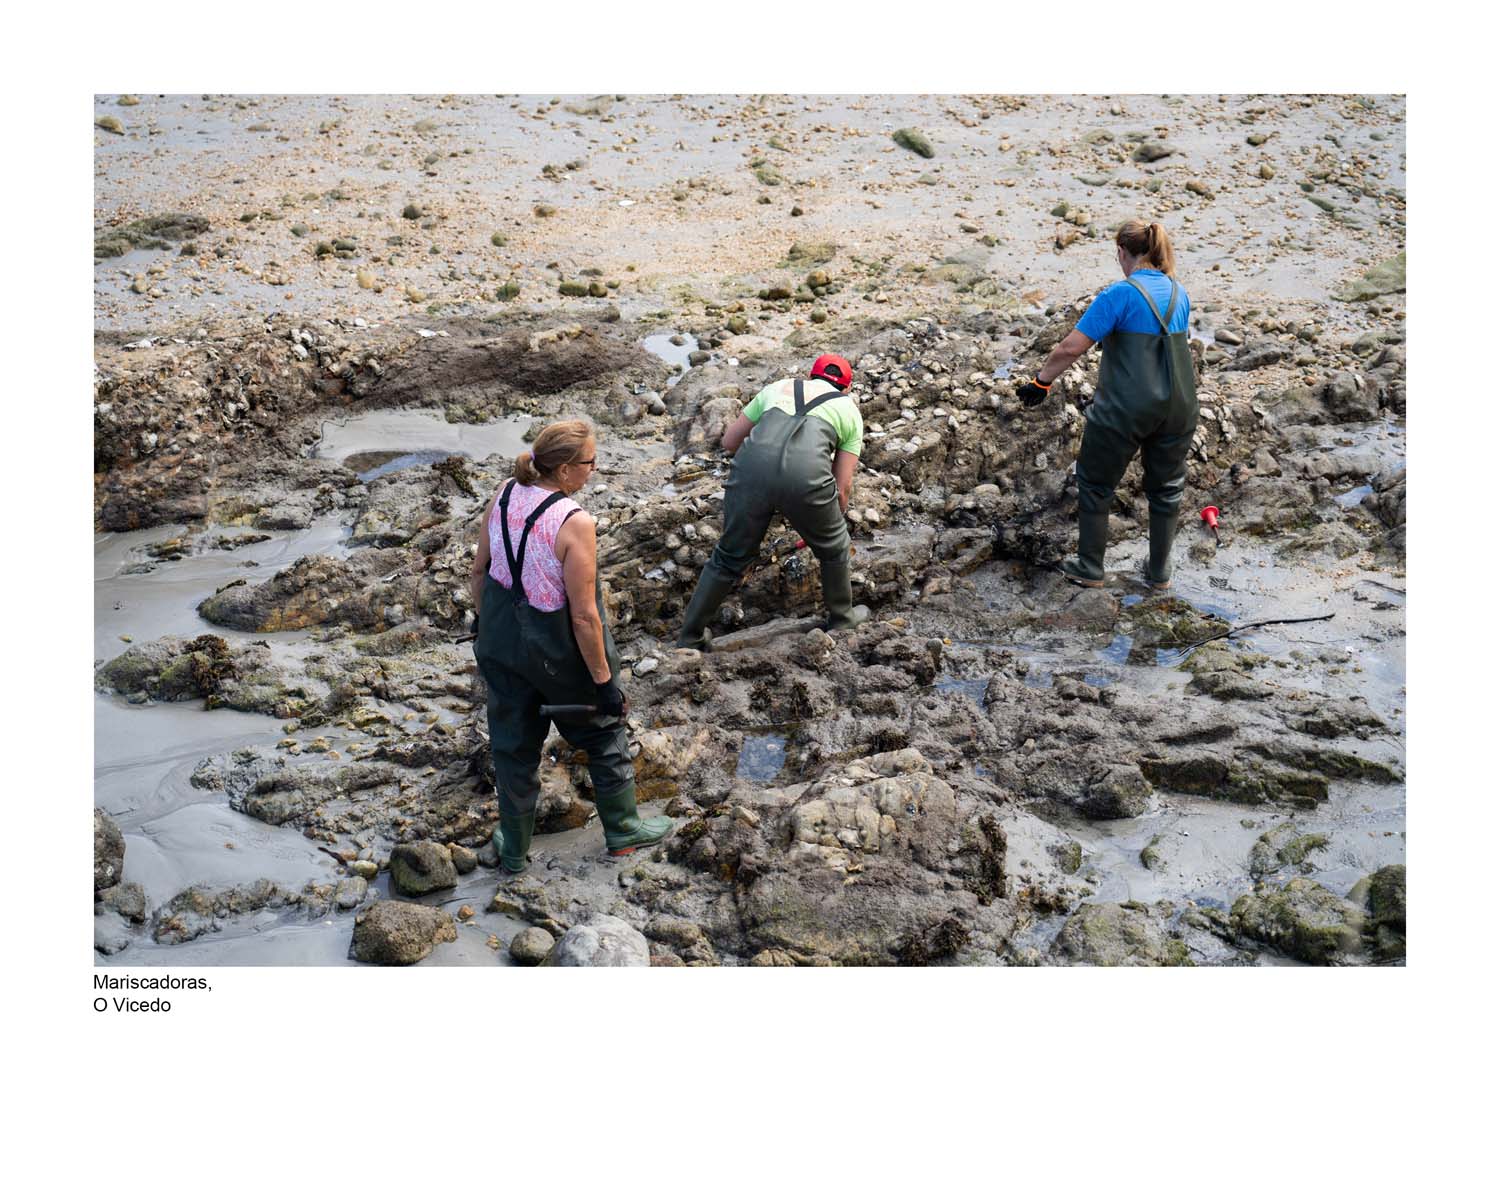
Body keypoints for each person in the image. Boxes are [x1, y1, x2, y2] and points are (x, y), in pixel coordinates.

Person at [469, 419, 672, 874]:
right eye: (590, 462)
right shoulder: (574, 521)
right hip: (556, 651)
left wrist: (488, 628)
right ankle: (623, 831)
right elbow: (583, 616)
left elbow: (479, 572)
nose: (594, 470)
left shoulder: (504, 493)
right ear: (564, 470)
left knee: (512, 745)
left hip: (500, 642)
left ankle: (514, 851)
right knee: (603, 731)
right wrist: (604, 683)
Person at [1017, 219, 1198, 591]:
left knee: (1096, 482)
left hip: (1127, 406)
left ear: (1121, 252)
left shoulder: (1120, 294)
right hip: (1180, 405)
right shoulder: (1179, 293)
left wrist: (1041, 382)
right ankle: (1159, 573)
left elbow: (1071, 347)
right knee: (1167, 488)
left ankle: (1089, 566)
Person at [676, 354, 870, 649]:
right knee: (835, 548)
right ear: (846, 388)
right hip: (806, 480)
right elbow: (842, 486)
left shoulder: (777, 387)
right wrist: (832, 522)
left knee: (728, 556)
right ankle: (842, 618)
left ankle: (690, 637)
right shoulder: (848, 410)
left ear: (810, 376)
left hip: (750, 471)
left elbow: (729, 442)